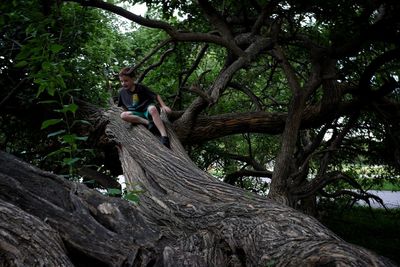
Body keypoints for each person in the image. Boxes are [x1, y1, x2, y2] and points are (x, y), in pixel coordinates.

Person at [117, 67, 172, 148]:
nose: (123, 83)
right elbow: (122, 105)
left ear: (133, 79)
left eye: (126, 81)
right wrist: (129, 115)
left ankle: (164, 136)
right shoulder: (122, 92)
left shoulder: (140, 87)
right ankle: (148, 123)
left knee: (152, 109)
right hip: (138, 114)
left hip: (147, 110)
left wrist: (163, 106)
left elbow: (156, 95)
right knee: (123, 115)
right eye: (121, 81)